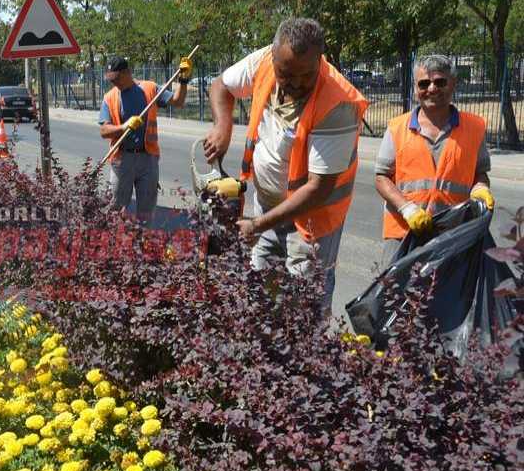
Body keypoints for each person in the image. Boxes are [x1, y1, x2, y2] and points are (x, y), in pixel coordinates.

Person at [203, 18, 368, 312]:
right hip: (267, 207)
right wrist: (223, 126)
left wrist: (257, 225)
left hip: (311, 223)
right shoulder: (264, 61)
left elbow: (318, 189)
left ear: (320, 60)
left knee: (304, 307)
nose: (297, 83)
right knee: (259, 294)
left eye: (307, 75)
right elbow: (221, 85)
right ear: (274, 56)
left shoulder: (337, 104)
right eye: (286, 74)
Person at [374, 55, 493, 264]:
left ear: (453, 84)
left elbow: (480, 173)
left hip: (453, 235)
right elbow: (381, 178)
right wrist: (407, 208)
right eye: (424, 83)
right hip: (403, 234)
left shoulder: (474, 128)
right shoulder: (397, 128)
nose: (432, 88)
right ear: (415, 88)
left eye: (440, 82)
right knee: (395, 285)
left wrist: (480, 188)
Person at [98, 55, 191, 222]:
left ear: (128, 72)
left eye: (117, 78)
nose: (114, 83)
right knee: (115, 210)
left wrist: (183, 80)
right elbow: (104, 131)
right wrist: (123, 127)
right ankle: (117, 238)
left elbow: (178, 102)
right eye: (111, 80)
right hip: (122, 160)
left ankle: (144, 237)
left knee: (146, 212)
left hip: (148, 159)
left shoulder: (150, 89)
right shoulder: (109, 98)